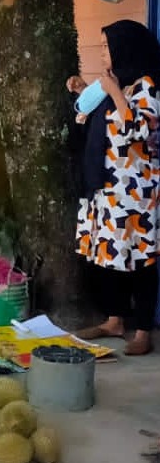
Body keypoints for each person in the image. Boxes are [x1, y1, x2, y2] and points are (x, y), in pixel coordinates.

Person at [70, 20, 160, 356]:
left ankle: (142, 330)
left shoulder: (147, 86)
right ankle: (114, 319)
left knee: (141, 260)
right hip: (108, 187)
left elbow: (138, 130)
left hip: (135, 191)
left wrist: (114, 93)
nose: (104, 52)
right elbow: (103, 123)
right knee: (110, 258)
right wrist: (85, 92)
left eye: (108, 46)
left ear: (126, 47)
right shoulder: (118, 83)